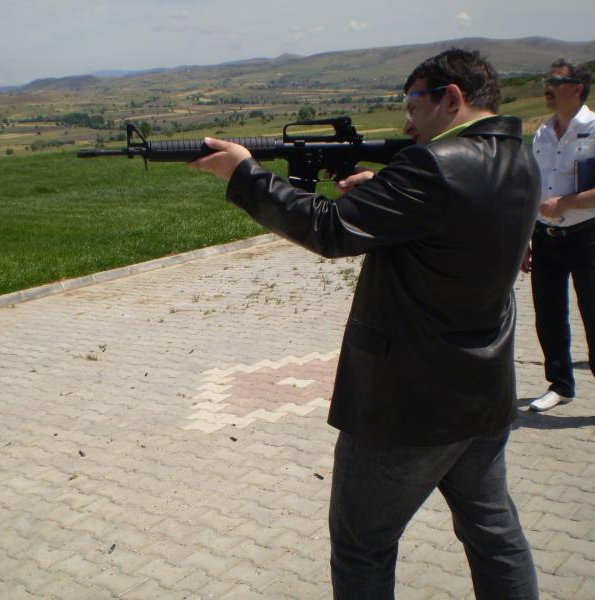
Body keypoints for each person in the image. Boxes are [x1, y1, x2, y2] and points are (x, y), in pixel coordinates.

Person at [191, 49, 539, 599]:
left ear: (451, 98)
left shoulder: (433, 166)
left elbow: (328, 230)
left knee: (363, 546)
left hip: (408, 404)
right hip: (483, 390)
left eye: (414, 105)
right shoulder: (519, 157)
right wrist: (385, 194)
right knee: (494, 534)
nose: (408, 121)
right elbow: (455, 225)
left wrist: (245, 174)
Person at [524, 59, 595, 435]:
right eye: (546, 80)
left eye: (554, 81)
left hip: (584, 237)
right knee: (549, 315)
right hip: (545, 236)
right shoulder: (542, 133)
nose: (547, 87)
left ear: (577, 87)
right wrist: (526, 239)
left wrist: (566, 203)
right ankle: (560, 385)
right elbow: (535, 189)